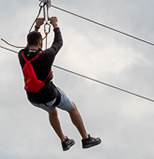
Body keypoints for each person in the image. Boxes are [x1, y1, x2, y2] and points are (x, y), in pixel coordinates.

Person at [18, 17, 98, 151]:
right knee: (72, 108)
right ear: (40, 42)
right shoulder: (46, 55)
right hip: (49, 95)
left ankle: (64, 140)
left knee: (52, 112)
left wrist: (37, 27)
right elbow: (58, 42)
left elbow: (29, 46)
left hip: (33, 98)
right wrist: (55, 25)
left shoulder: (21, 55)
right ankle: (86, 138)